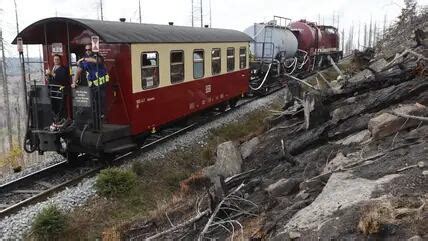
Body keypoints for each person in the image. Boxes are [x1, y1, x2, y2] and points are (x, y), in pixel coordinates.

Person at [71, 44, 109, 124]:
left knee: (100, 101)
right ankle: (95, 119)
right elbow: (78, 72)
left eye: (89, 49)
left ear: (93, 50)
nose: (87, 51)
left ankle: (101, 117)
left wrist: (83, 58)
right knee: (93, 102)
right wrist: (74, 82)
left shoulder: (98, 57)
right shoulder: (84, 61)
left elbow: (96, 61)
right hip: (92, 85)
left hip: (101, 84)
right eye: (86, 50)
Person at [46, 54, 70, 122]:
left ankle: (62, 120)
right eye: (55, 59)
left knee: (61, 106)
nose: (56, 61)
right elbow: (51, 79)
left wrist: (51, 73)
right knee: (54, 106)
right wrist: (48, 77)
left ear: (60, 60)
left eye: (57, 59)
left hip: (60, 90)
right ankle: (55, 120)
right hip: (53, 90)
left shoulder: (63, 69)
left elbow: (61, 78)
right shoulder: (52, 68)